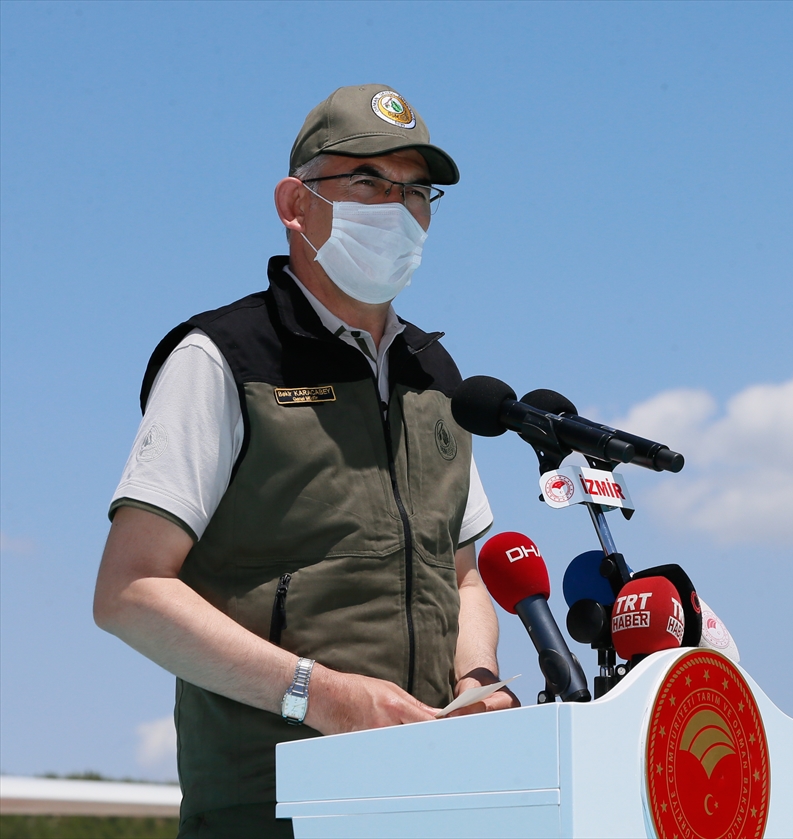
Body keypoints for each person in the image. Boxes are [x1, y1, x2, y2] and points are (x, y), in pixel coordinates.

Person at [93, 84, 518, 838]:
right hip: (270, 811)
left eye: (418, 190)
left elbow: (466, 575)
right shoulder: (220, 357)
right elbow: (130, 589)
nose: (399, 208)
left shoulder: (437, 375)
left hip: (435, 810)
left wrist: (477, 678)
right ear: (295, 204)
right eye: (367, 182)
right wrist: (325, 698)